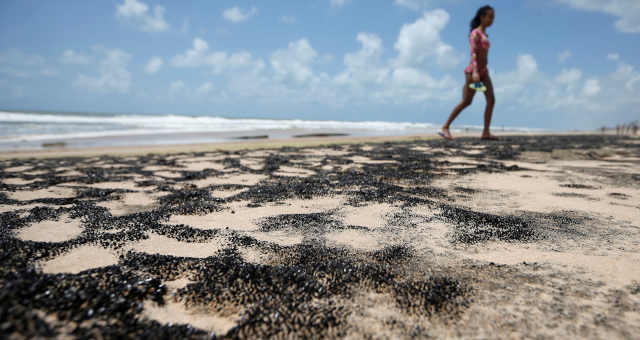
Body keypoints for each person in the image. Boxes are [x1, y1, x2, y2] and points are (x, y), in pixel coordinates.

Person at [440, 5, 497, 140]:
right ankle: (445, 127)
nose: (491, 20)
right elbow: (473, 53)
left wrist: (482, 72)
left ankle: (486, 132)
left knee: (491, 100)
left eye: (493, 18)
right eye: (489, 17)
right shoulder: (475, 33)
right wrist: (475, 72)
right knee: (467, 101)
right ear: (482, 17)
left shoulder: (484, 34)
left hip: (484, 73)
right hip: (473, 73)